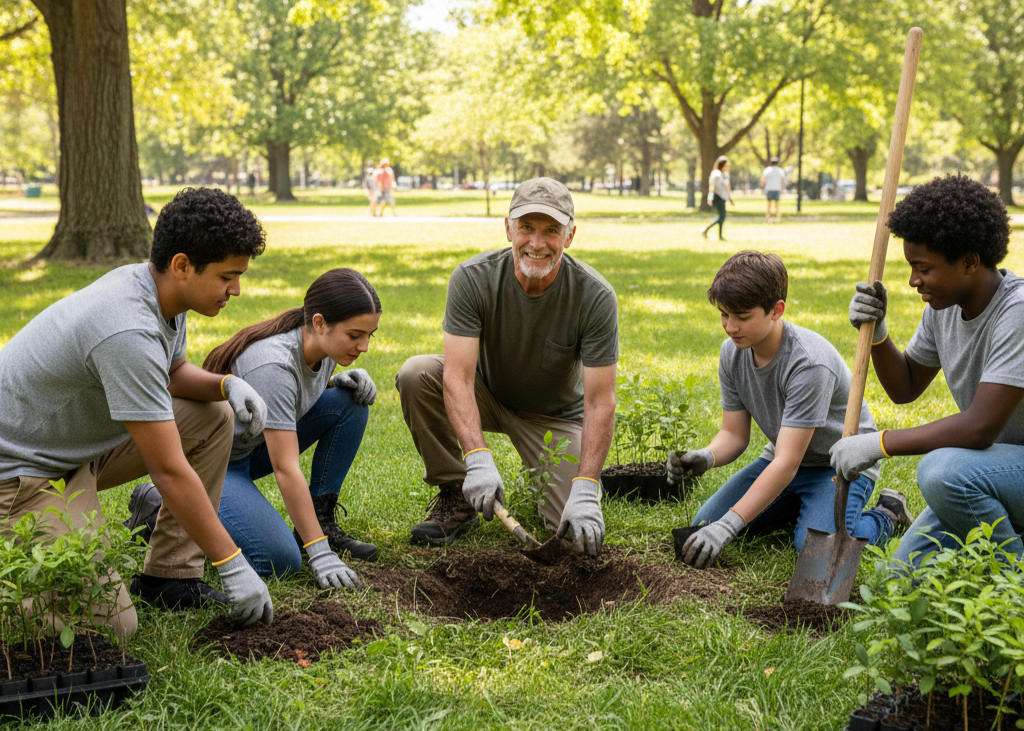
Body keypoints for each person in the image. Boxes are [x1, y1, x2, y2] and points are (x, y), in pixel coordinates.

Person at [0, 187, 274, 637]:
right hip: (20, 478)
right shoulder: (126, 326)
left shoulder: (162, 292)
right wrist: (231, 562)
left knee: (212, 417)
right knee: (111, 629)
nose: (236, 290)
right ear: (182, 265)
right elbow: (167, 469)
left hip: (74, 452)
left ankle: (170, 576)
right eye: (228, 276)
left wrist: (225, 384)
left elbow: (171, 372)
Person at [395, 177, 618, 556]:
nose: (536, 242)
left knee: (573, 538)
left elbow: (600, 402)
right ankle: (458, 491)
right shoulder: (472, 278)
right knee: (417, 373)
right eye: (526, 227)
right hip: (487, 394)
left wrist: (586, 487)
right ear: (508, 228)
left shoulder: (595, 296)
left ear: (570, 235)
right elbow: (458, 376)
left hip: (555, 417)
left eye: (551, 230)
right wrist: (477, 458)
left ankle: (561, 488)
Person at [669, 251, 911, 569]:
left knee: (815, 552)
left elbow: (787, 462)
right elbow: (734, 434)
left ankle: (887, 514)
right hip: (784, 457)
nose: (730, 327)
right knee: (705, 523)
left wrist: (729, 527)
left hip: (837, 465)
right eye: (724, 314)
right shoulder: (732, 353)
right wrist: (706, 456)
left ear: (776, 310)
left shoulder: (809, 362)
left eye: (741, 316)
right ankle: (801, 508)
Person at [832, 174, 1024, 568]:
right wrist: (879, 333)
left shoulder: (1017, 312)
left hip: (995, 470)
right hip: (991, 473)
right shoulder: (944, 310)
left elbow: (979, 428)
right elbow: (905, 386)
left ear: (970, 261)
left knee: (942, 471)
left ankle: (1014, 583)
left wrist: (878, 443)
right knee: (902, 580)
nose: (913, 280)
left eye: (923, 268)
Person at [197, 269, 381, 587]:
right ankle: (161, 502)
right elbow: (285, 467)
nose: (363, 346)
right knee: (279, 560)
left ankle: (320, 521)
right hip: (213, 465)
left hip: (251, 449)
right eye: (355, 335)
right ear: (320, 323)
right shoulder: (274, 364)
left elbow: (292, 396)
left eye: (369, 335)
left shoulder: (322, 348)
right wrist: (319, 554)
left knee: (349, 401)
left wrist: (336, 381)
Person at [701, 156, 734, 240]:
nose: (727, 167)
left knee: (722, 216)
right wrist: (710, 197)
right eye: (726, 165)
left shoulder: (725, 174)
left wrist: (730, 198)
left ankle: (718, 235)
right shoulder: (716, 174)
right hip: (717, 197)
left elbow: (728, 187)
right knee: (722, 216)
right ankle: (708, 230)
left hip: (723, 197)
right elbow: (712, 186)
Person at [760, 156, 787, 223]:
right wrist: (783, 189)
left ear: (770, 162)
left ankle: (768, 218)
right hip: (777, 188)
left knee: (768, 205)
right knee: (777, 205)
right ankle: (778, 218)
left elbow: (763, 180)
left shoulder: (767, 170)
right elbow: (782, 181)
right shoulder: (780, 170)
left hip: (769, 189)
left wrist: (762, 188)